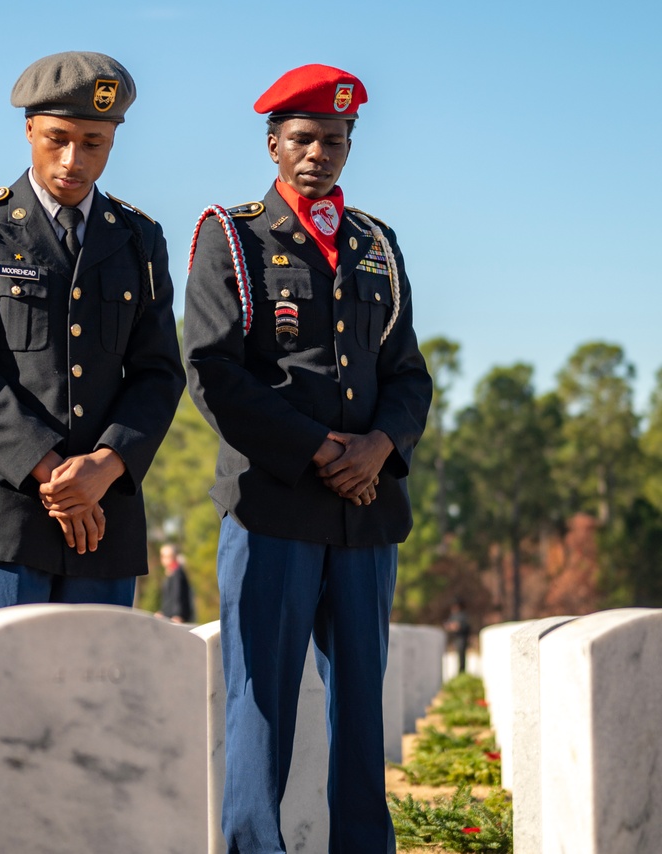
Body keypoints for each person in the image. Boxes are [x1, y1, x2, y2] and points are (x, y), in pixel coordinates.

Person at [183, 64, 433, 853]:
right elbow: (212, 369)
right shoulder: (233, 236)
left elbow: (409, 375)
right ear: (273, 144)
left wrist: (381, 446)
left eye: (333, 139)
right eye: (303, 139)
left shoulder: (377, 246)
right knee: (263, 701)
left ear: (350, 144)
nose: (318, 153)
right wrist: (319, 447)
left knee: (363, 703)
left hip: (365, 508)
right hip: (275, 505)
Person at [0, 52, 184, 618]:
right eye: (57, 139)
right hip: (7, 512)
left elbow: (159, 372)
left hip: (105, 514)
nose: (74, 160)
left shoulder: (140, 239)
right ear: (29, 131)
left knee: (96, 704)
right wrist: (55, 476)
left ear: (114, 139)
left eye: (94, 143)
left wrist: (105, 466)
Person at [156, 543, 194, 623]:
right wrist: (163, 612)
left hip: (176, 618)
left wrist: (178, 614)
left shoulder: (177, 573)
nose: (165, 559)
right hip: (168, 616)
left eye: (168, 556)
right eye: (163, 556)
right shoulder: (171, 573)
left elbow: (178, 595)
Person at [444, 598, 471, 673]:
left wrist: (457, 626)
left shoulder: (463, 615)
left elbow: (465, 626)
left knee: (461, 656)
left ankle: (462, 671)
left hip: (462, 639)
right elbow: (448, 625)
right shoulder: (453, 615)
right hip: (455, 639)